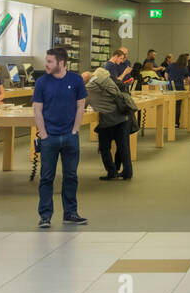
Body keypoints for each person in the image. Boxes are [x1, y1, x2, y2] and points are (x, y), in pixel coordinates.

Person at [32, 48, 87, 227]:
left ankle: (70, 213)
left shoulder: (76, 80)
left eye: (50, 62)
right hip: (50, 138)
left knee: (71, 176)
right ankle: (45, 216)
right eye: (46, 61)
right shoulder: (41, 82)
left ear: (61, 63)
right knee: (46, 177)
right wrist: (44, 134)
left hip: (70, 137)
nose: (46, 65)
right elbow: (37, 110)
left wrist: (75, 130)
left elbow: (81, 107)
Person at [84, 64, 136, 181]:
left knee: (104, 147)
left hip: (108, 119)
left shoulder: (88, 88)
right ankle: (128, 172)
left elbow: (82, 105)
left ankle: (111, 171)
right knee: (123, 146)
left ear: (85, 81)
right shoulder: (105, 77)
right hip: (122, 115)